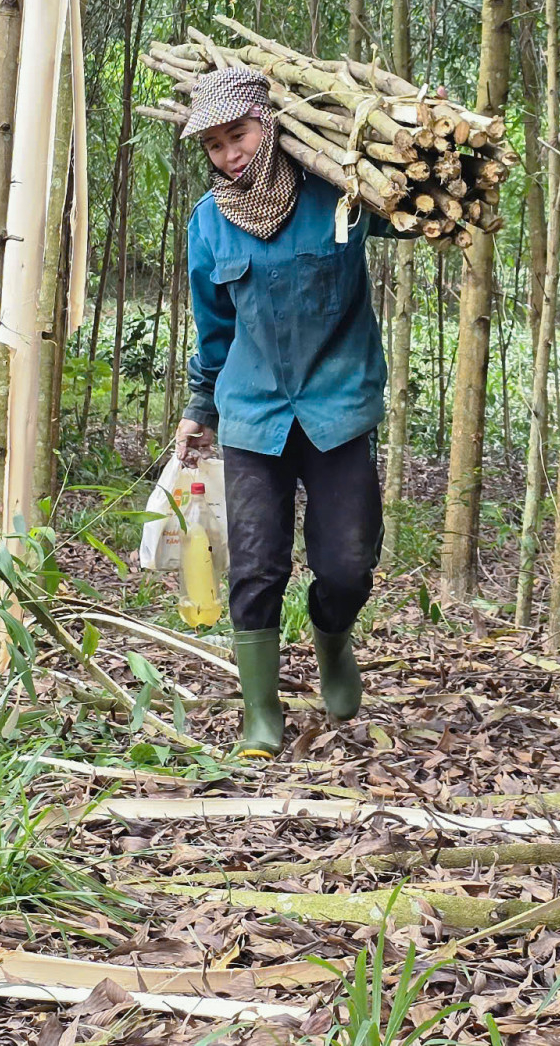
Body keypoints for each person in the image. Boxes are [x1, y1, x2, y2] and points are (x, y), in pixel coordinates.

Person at [174, 65, 387, 759]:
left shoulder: (338, 191)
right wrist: (198, 408)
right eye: (214, 146)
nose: (230, 156)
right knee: (257, 567)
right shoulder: (208, 225)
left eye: (237, 136)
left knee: (348, 564)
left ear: (268, 126)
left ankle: (333, 645)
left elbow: (411, 214)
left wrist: (424, 156)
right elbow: (214, 330)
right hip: (253, 414)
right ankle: (261, 715)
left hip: (337, 408)